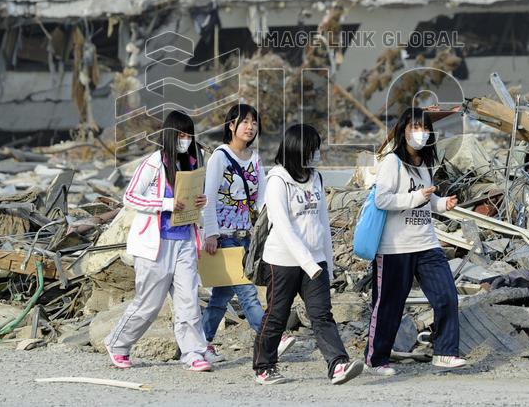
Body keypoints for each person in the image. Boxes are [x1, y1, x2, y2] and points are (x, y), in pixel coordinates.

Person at [252, 124, 364, 385]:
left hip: (315, 261)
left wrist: (328, 263)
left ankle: (337, 364)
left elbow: (322, 222)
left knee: (322, 314)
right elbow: (283, 227)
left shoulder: (316, 177)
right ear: (297, 150)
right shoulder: (277, 180)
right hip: (282, 261)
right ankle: (264, 366)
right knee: (277, 314)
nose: (317, 153)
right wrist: (307, 263)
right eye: (312, 148)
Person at [104, 111, 214, 372]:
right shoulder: (154, 163)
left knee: (188, 301)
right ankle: (118, 343)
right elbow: (130, 196)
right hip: (155, 244)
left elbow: (196, 198)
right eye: (181, 135)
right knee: (149, 303)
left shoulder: (192, 163)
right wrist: (164, 203)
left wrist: (201, 202)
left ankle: (193, 353)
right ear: (170, 135)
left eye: (189, 135)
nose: (185, 139)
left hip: (185, 240)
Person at [365, 107, 464, 376]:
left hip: (426, 243)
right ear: (403, 131)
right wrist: (416, 198)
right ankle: (376, 359)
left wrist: (442, 203)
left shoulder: (424, 165)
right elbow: (382, 199)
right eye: (414, 127)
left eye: (424, 128)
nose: (420, 133)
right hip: (395, 247)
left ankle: (444, 352)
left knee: (446, 296)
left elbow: (426, 199)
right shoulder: (391, 163)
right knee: (388, 306)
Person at [201, 103, 293, 361]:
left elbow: (263, 198)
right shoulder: (219, 156)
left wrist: (269, 229)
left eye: (254, 122)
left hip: (247, 235)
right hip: (224, 235)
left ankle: (201, 343)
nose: (250, 127)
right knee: (247, 291)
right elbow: (208, 196)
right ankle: (272, 337)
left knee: (222, 295)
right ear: (231, 125)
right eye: (244, 121)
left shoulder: (255, 158)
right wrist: (210, 233)